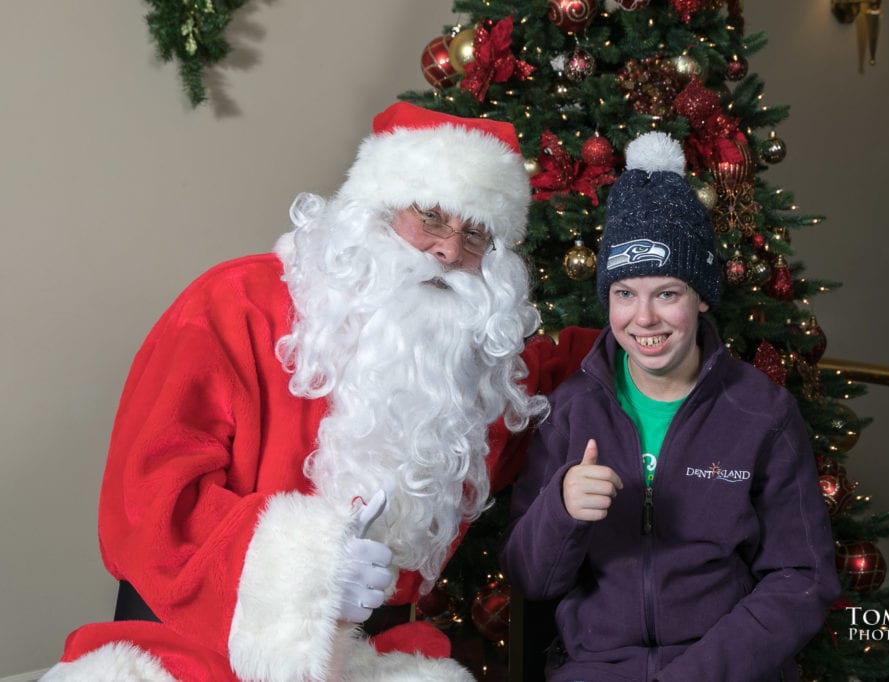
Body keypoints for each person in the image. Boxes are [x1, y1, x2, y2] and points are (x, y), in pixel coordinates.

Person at [41, 102, 598, 682]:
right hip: (195, 646)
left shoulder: (478, 367)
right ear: (374, 211)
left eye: (475, 234)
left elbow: (610, 360)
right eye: (430, 216)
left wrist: (656, 304)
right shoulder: (232, 305)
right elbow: (147, 501)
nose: (449, 252)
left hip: (378, 659)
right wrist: (304, 572)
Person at [500, 131, 840, 681]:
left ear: (701, 296)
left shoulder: (762, 413)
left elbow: (801, 578)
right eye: (624, 293)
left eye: (667, 293)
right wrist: (560, 508)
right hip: (598, 669)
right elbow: (529, 579)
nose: (645, 318)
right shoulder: (571, 411)